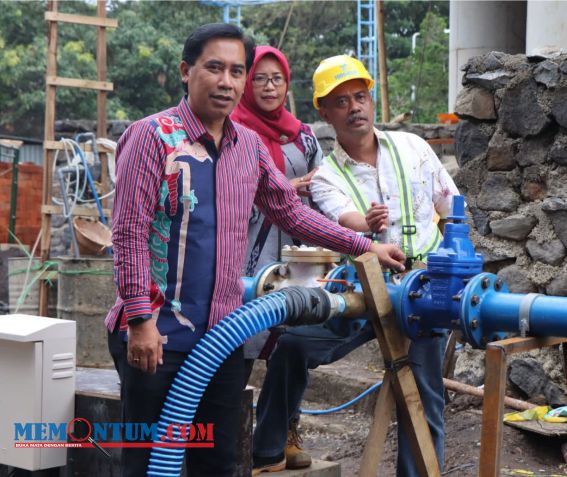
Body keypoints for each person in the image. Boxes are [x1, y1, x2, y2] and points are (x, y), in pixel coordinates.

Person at [104, 25, 405, 477]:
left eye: (237, 71)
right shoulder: (152, 137)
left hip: (223, 338)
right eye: (214, 68)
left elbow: (291, 213)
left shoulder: (248, 146)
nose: (227, 81)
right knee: (152, 463)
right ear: (187, 72)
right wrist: (140, 320)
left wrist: (366, 247)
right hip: (157, 335)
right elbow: (128, 232)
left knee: (220, 462)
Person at [252, 55, 459, 476]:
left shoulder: (413, 148)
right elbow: (342, 219)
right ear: (324, 113)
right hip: (363, 291)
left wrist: (457, 266)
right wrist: (366, 227)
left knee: (423, 401)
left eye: (360, 97)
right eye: (341, 101)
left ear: (372, 99)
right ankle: (268, 451)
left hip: (423, 294)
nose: (354, 108)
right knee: (292, 347)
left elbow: (451, 208)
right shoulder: (326, 176)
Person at [231, 46, 321, 277]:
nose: (269, 87)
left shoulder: (304, 137)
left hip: (301, 258)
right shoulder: (230, 134)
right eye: (259, 78)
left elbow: (323, 191)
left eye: (277, 78)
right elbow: (225, 199)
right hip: (246, 258)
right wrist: (282, 190)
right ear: (247, 82)